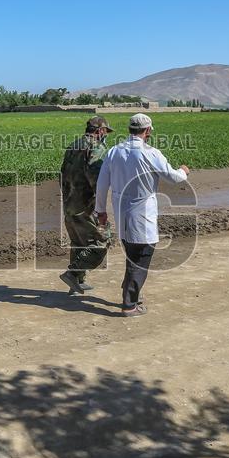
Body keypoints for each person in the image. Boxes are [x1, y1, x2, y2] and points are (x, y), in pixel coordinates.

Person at [95, 113, 189, 316]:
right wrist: (183, 171)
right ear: (147, 131)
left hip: (121, 211)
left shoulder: (113, 152)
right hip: (142, 212)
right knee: (142, 255)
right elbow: (172, 177)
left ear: (130, 129)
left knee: (132, 254)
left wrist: (100, 211)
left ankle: (131, 293)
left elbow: (102, 185)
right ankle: (129, 304)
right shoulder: (151, 153)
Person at [58, 116, 114, 294]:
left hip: (69, 203)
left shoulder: (73, 145)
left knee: (78, 242)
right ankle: (73, 274)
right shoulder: (96, 147)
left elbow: (62, 174)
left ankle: (77, 283)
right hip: (85, 204)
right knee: (102, 241)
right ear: (100, 131)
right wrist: (100, 208)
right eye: (106, 132)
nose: (106, 135)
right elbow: (96, 177)